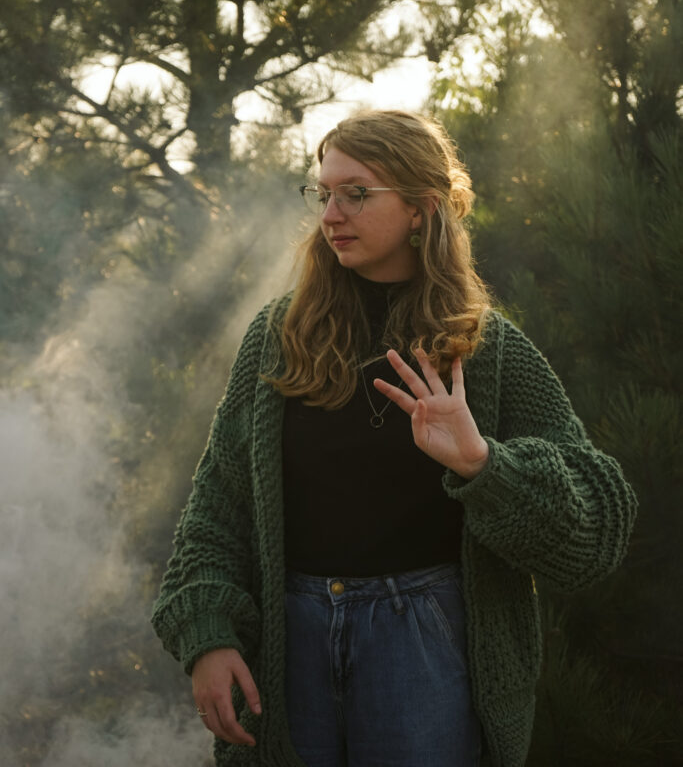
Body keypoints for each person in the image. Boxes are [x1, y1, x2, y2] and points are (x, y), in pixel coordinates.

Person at [151, 109, 637, 767]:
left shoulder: (487, 352)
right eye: (322, 194)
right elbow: (217, 506)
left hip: (426, 646)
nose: (330, 214)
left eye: (356, 193)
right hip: (287, 642)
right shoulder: (280, 336)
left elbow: (595, 532)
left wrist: (481, 465)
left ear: (419, 207)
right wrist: (208, 638)